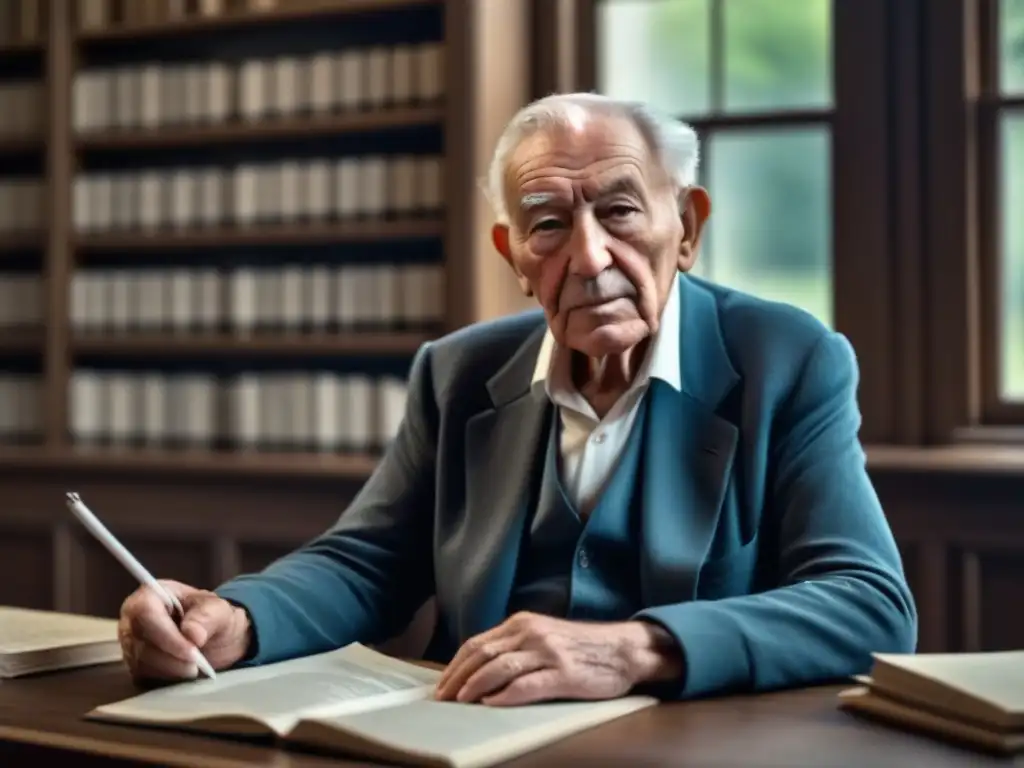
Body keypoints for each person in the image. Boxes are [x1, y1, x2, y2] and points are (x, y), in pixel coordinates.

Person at [119, 92, 917, 705]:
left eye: (620, 210)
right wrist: (241, 620)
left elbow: (870, 605)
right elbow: (367, 563)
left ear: (688, 226)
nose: (590, 254)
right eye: (548, 225)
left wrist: (634, 649)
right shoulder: (458, 372)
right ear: (514, 255)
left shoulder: (787, 358)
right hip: (468, 733)